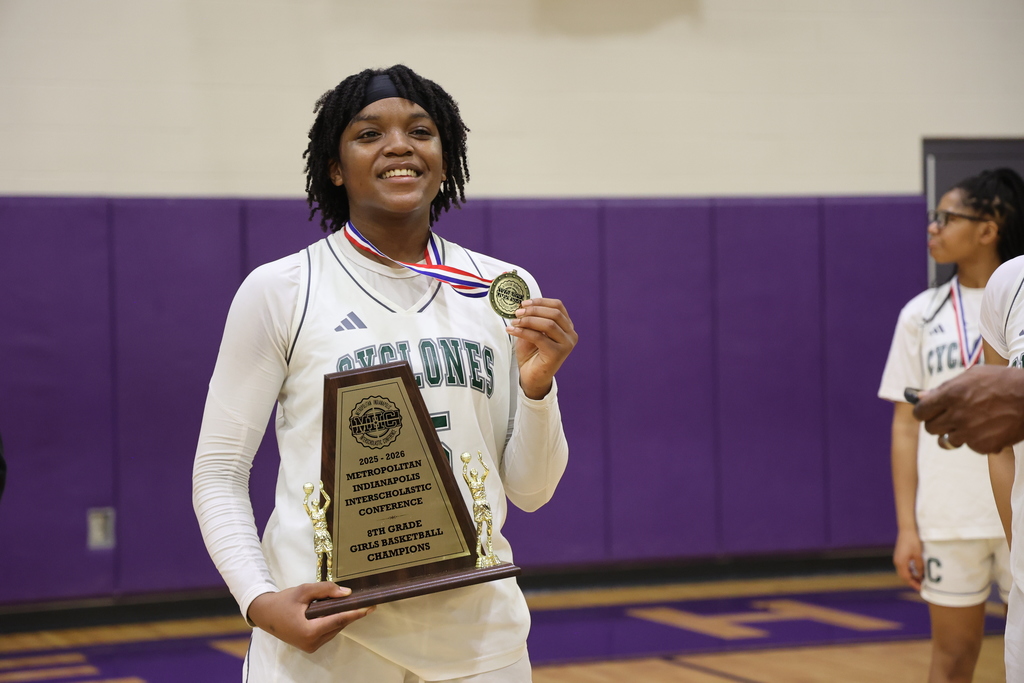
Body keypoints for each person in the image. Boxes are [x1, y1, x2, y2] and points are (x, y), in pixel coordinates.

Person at [192, 65, 576, 683]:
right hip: (327, 644)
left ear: (444, 159)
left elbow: (531, 491)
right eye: (369, 133)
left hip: (480, 644)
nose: (399, 144)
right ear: (336, 167)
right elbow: (218, 473)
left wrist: (538, 387)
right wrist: (259, 602)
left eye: (420, 131)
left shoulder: (501, 291)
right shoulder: (282, 290)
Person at [879, 168, 1024, 682]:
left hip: (1018, 509)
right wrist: (906, 527)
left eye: (946, 217)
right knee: (953, 658)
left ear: (989, 228)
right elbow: (904, 426)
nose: (933, 227)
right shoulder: (919, 314)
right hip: (950, 516)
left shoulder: (1016, 297)